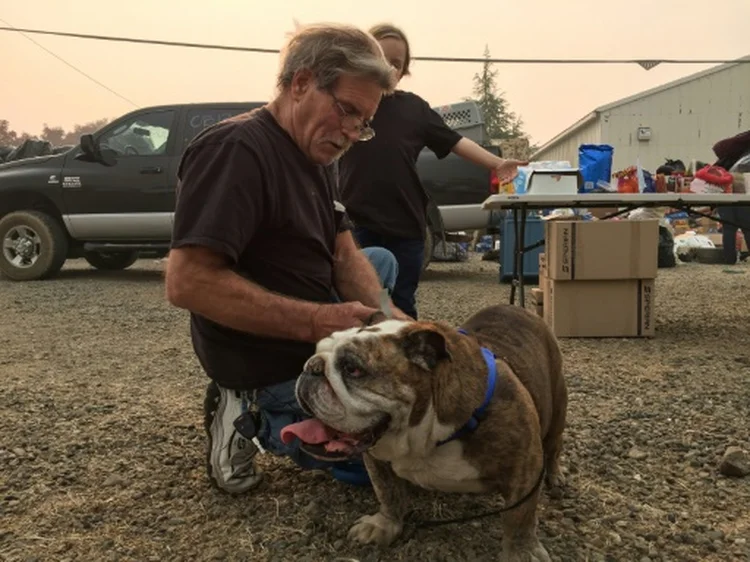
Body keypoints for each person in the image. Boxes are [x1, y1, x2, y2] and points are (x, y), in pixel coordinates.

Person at [164, 23, 409, 494]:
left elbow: (344, 253)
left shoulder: (319, 156)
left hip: (312, 323)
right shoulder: (235, 151)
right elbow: (188, 282)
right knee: (380, 456)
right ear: (300, 83)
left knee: (379, 262)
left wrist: (395, 322)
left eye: (363, 123)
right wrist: (321, 321)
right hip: (260, 354)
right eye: (347, 112)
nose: (352, 133)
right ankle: (247, 410)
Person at [337, 23, 528, 319]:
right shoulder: (347, 104)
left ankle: (405, 360)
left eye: (396, 63)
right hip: (357, 225)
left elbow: (455, 141)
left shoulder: (413, 109)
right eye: (380, 58)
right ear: (362, 58)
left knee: (399, 304)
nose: (388, 67)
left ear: (404, 70)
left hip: (405, 227)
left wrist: (496, 163)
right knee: (361, 304)